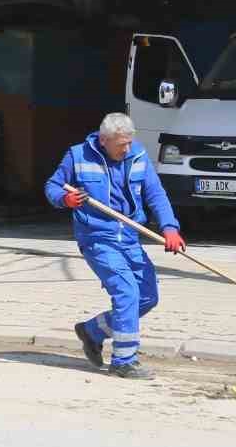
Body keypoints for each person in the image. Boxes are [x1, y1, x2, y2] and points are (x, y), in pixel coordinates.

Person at [44, 112, 186, 379]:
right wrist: (66, 199)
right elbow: (52, 187)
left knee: (147, 297)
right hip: (98, 239)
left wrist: (169, 227)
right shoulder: (78, 156)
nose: (127, 148)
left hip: (130, 237)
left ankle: (92, 331)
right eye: (122, 145)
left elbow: (156, 194)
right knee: (127, 293)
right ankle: (124, 360)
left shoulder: (138, 156)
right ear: (104, 140)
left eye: (130, 143)